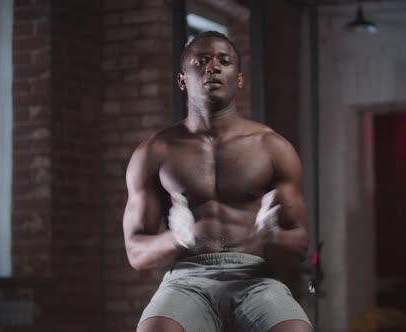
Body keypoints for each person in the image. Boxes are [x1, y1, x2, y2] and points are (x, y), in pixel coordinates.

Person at [122, 30, 312, 332]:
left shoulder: (272, 147)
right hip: (187, 279)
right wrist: (178, 238)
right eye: (202, 61)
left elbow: (301, 246)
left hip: (256, 278)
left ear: (238, 78)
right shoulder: (155, 151)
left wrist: (270, 236)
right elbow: (135, 251)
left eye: (224, 61)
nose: (213, 67)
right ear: (182, 80)